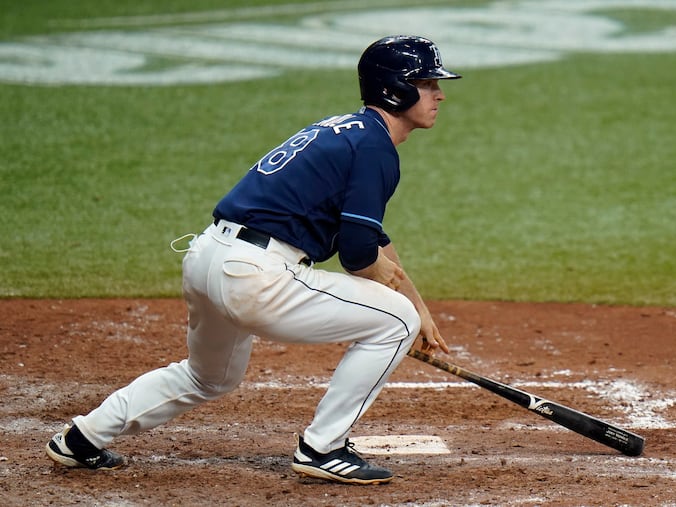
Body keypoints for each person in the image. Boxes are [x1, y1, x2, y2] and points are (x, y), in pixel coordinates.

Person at [45, 35, 461, 485]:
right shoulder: (375, 148)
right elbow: (360, 255)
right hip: (256, 276)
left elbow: (373, 237)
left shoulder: (348, 132)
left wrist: (418, 305)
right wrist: (403, 309)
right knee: (392, 320)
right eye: (425, 82)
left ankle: (82, 438)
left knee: (208, 377)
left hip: (208, 258)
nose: (438, 93)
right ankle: (324, 447)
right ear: (393, 88)